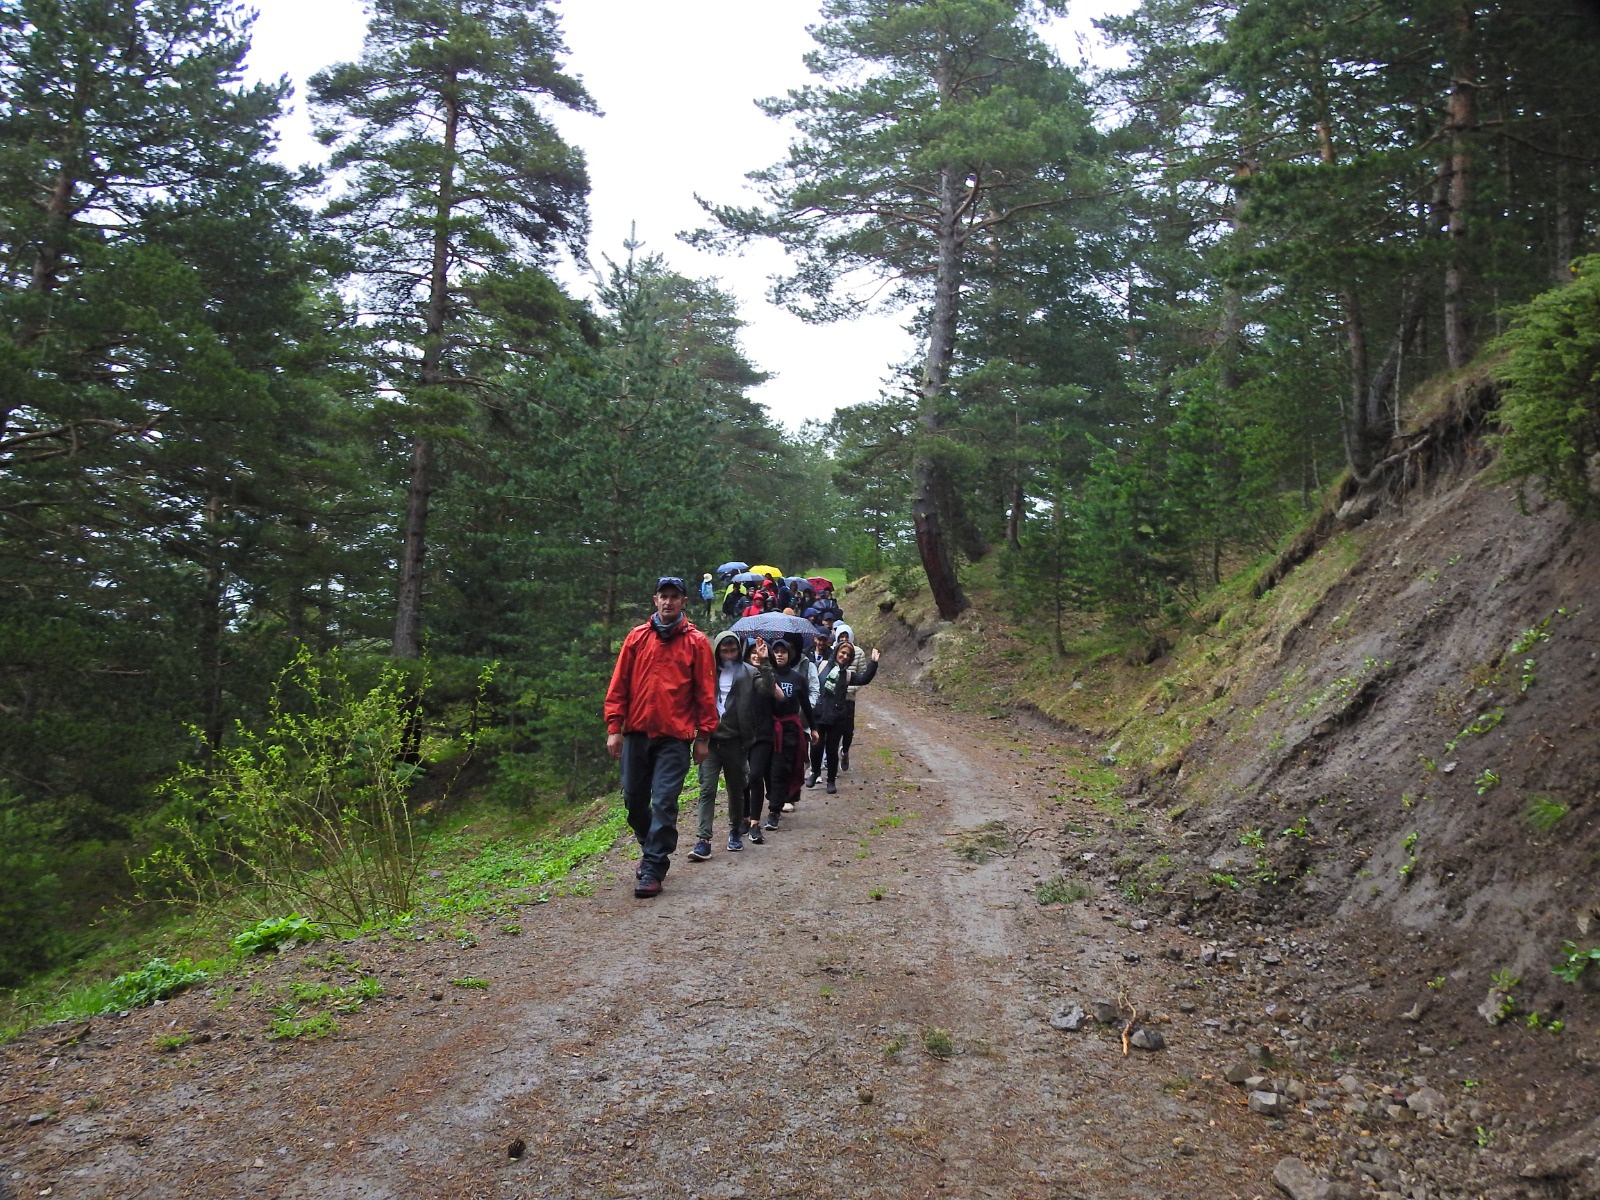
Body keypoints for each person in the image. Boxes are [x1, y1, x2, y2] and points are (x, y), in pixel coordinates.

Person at [603, 577, 716, 899]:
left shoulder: (696, 642)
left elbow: (705, 693)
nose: (668, 602)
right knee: (633, 801)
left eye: (674, 597)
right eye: (663, 597)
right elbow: (619, 684)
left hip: (674, 737)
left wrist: (703, 736)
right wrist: (614, 727)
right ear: (655, 600)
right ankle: (651, 847)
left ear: (684, 602)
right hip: (637, 732)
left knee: (664, 802)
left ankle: (653, 866)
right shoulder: (637, 638)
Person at [688, 629, 765, 858]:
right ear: (718, 651)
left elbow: (767, 690)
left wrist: (765, 663)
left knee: (736, 789)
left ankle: (734, 831)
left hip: (736, 742)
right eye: (724, 650)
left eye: (733, 650)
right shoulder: (708, 674)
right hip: (710, 741)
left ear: (739, 650)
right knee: (707, 789)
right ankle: (703, 839)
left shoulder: (749, 672)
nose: (729, 654)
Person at [761, 636, 817, 830]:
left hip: (789, 730)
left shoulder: (797, 679)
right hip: (769, 728)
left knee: (780, 769)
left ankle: (774, 811)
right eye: (776, 651)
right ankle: (774, 797)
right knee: (767, 769)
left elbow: (806, 706)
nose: (779, 655)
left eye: (783, 652)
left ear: (789, 655)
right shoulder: (768, 676)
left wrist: (813, 727)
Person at [811, 640, 880, 792]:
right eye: (842, 653)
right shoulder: (822, 666)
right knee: (816, 746)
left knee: (831, 749)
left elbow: (864, 679)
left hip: (837, 717)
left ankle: (830, 781)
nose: (844, 656)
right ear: (836, 652)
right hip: (820, 714)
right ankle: (815, 771)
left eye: (848, 655)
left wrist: (873, 663)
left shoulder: (848, 675)